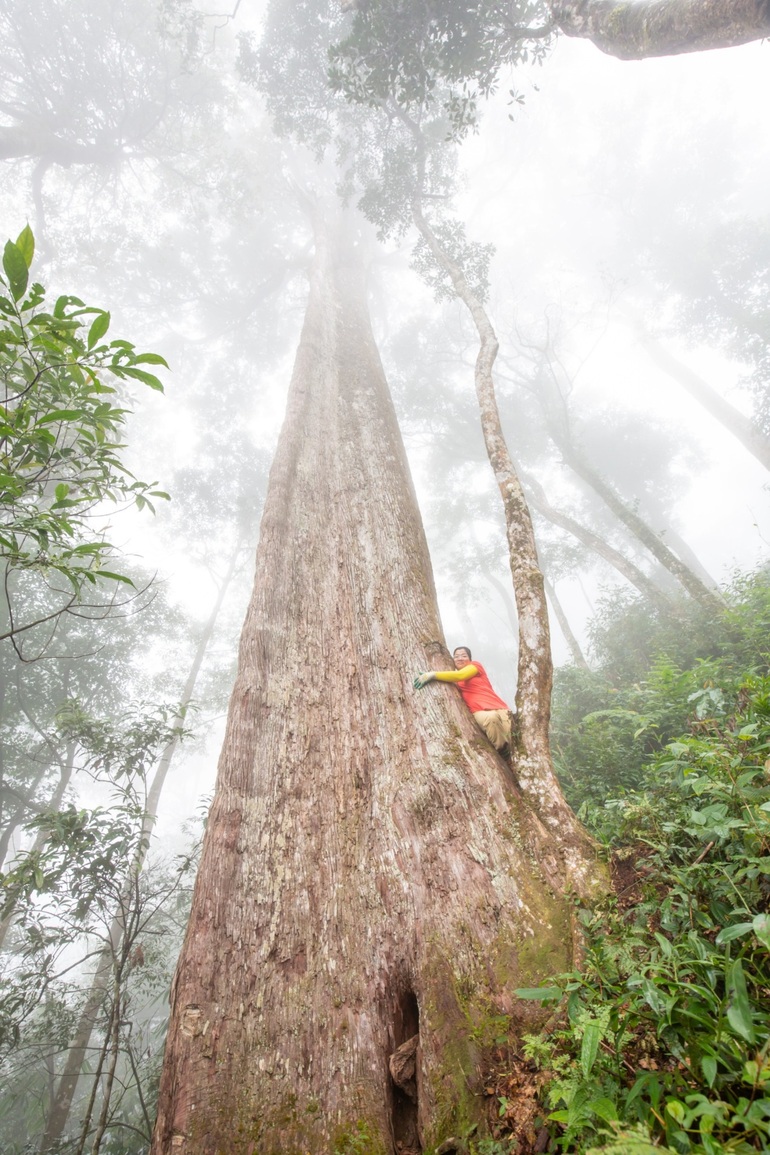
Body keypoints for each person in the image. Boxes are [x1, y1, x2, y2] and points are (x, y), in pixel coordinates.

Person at [413, 646, 513, 754]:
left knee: (513, 739)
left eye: (464, 656)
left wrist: (433, 674)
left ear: (469, 659)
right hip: (479, 711)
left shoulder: (475, 666)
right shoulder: (454, 682)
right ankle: (503, 753)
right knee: (491, 718)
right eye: (456, 656)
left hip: (501, 708)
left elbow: (460, 675)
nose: (460, 658)